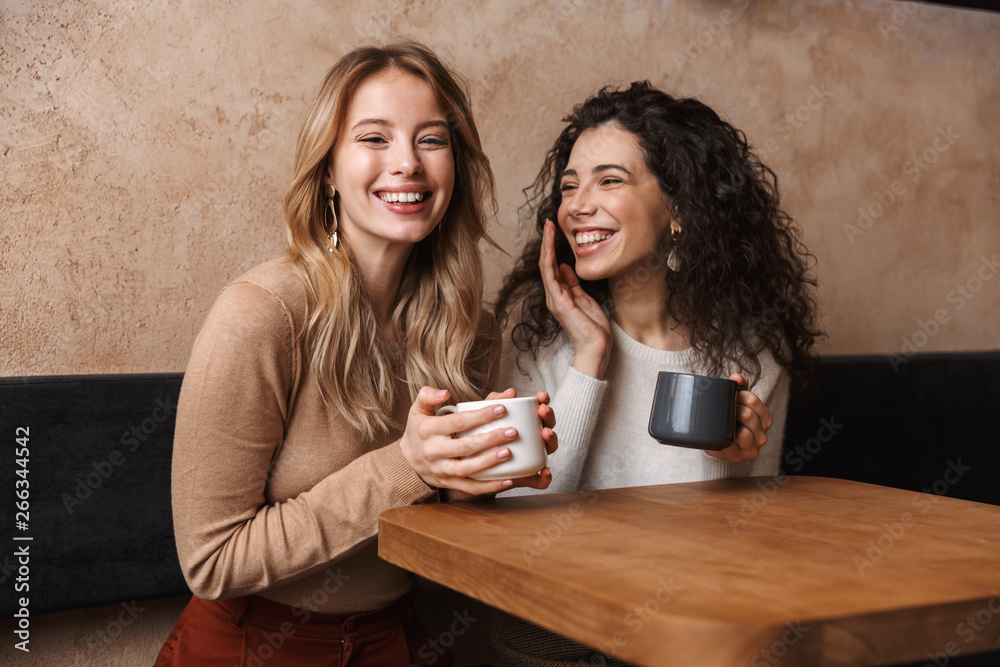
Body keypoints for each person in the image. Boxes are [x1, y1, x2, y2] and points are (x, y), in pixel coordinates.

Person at [155, 41, 556, 667]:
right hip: (251, 645)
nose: (408, 164)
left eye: (432, 140)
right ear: (328, 172)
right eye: (373, 139)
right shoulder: (263, 312)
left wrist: (476, 481)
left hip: (396, 638)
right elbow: (211, 562)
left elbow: (426, 541)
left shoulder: (470, 330)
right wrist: (410, 467)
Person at [490, 81, 821, 665]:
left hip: (684, 626)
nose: (577, 204)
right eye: (569, 186)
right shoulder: (540, 330)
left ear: (680, 208)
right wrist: (590, 355)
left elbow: (738, 546)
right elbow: (524, 517)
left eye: (609, 180)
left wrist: (733, 457)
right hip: (551, 630)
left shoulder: (753, 352)